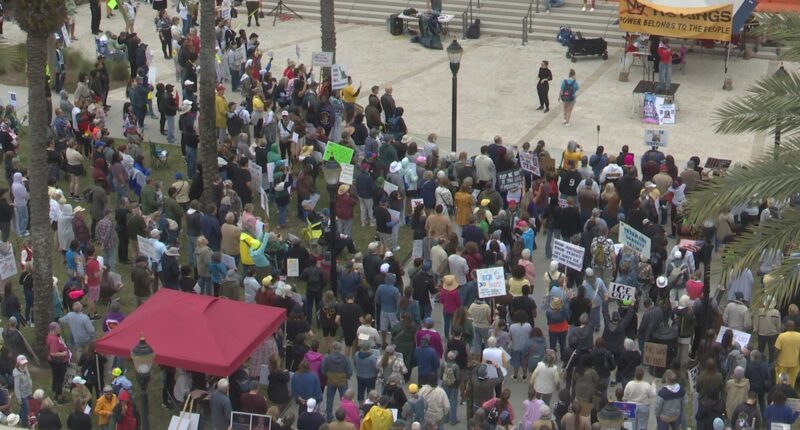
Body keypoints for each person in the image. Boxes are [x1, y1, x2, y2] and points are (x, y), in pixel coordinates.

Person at [775, 320, 800, 388]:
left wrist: (775, 360)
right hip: (795, 363)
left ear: (786, 326)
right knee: (791, 383)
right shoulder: (799, 336)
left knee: (780, 382)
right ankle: (790, 394)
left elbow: (777, 350)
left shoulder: (781, 336)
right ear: (794, 327)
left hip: (782, 363)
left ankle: (780, 393)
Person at [13, 354, 32, 428]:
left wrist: (30, 392)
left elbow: (28, 378)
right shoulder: (17, 374)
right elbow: (16, 387)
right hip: (22, 395)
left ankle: (18, 417)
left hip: (27, 392)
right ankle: (24, 425)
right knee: (26, 409)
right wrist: (19, 398)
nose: (24, 364)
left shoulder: (25, 368)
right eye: (23, 363)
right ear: (18, 363)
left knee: (24, 408)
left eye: (25, 363)